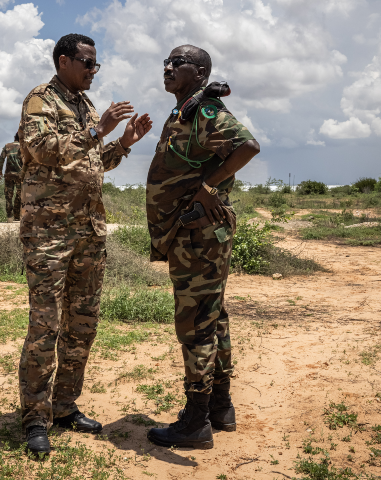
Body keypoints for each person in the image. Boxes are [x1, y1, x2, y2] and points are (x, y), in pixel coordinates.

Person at [17, 33, 152, 456]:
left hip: (87, 231)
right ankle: (35, 417)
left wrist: (123, 143)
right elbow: (41, 151)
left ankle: (64, 405)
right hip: (49, 232)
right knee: (46, 325)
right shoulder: (41, 100)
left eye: (97, 64)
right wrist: (98, 129)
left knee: (82, 323)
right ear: (64, 61)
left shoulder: (85, 105)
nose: (94, 71)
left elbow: (91, 163)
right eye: (89, 63)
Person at [145, 45, 260, 450]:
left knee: (195, 326)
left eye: (178, 63)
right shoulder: (183, 112)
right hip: (193, 236)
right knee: (213, 317)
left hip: (199, 237)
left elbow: (247, 146)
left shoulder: (206, 111)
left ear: (200, 72)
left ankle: (195, 422)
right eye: (167, 62)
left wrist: (210, 187)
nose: (168, 68)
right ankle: (219, 406)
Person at [0, 133, 23, 223]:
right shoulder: (23, 147)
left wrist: (0, 171)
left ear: (14, 138)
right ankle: (18, 216)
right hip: (20, 175)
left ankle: (10, 217)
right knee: (20, 195)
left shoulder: (7, 146)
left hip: (8, 175)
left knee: (8, 196)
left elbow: (1, 159)